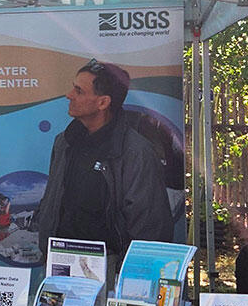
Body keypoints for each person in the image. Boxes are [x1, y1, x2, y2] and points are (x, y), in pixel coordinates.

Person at [36, 59, 172, 270]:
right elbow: (54, 202)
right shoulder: (64, 142)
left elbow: (149, 225)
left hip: (109, 269)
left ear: (103, 103)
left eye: (79, 91)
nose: (69, 95)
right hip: (60, 264)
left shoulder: (136, 152)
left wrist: (130, 275)